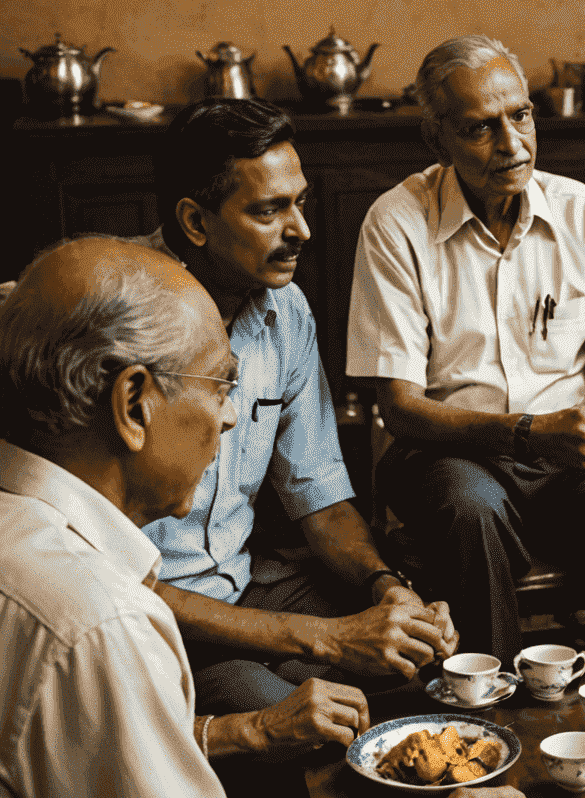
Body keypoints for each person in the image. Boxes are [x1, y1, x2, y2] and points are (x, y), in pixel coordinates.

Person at [0, 235, 532, 798]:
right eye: (221, 385)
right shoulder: (99, 621)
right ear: (133, 404)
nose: (229, 416)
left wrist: (247, 732)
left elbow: (59, 752)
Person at [348, 35, 585, 663]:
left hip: (570, 454)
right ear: (436, 140)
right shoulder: (397, 222)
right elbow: (401, 409)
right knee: (474, 519)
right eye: (479, 129)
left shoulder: (582, 212)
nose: (511, 144)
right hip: (445, 451)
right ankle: (490, 712)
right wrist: (527, 433)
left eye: (519, 115)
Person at [144, 98, 457, 722]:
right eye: (269, 210)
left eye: (301, 202)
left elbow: (321, 501)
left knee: (428, 672)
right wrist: (322, 637)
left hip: (245, 583)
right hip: (148, 617)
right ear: (195, 221)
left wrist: (388, 590)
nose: (302, 231)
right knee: (304, 725)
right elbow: (105, 579)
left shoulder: (286, 314)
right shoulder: (115, 317)